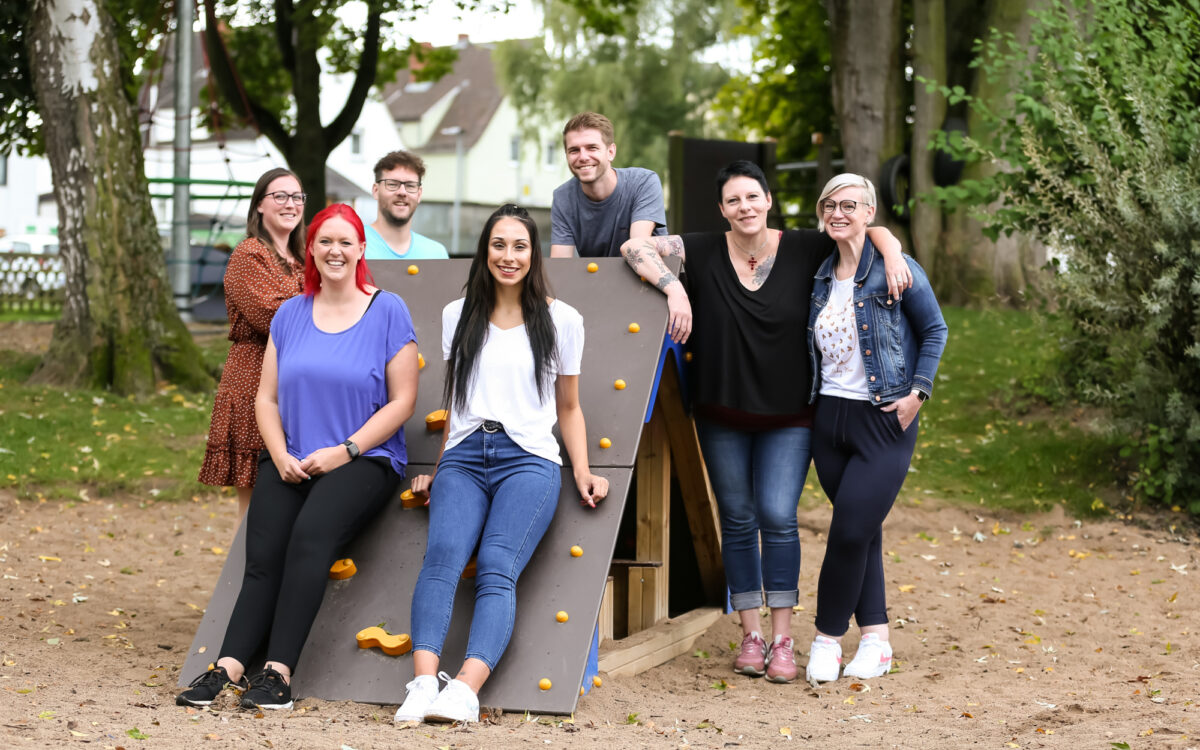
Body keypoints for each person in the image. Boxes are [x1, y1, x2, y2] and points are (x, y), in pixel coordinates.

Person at [619, 161, 911, 684]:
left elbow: (864, 227)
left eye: (752, 197)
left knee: (778, 517)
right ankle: (750, 634)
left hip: (791, 418)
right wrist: (674, 287)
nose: (744, 207)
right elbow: (634, 248)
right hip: (720, 414)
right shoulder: (703, 249)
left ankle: (782, 639)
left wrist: (890, 250)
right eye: (733, 201)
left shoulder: (805, 247)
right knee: (736, 520)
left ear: (768, 200)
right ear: (722, 209)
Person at [177, 204, 420, 710]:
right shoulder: (290, 313)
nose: (335, 250)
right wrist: (280, 453)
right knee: (262, 557)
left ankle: (278, 674)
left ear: (360, 249)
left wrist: (346, 450)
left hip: (364, 459)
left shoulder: (387, 309)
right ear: (311, 249)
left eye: (345, 242)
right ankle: (227, 667)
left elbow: (403, 401)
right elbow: (265, 398)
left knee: (310, 539)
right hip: (292, 458)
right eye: (324, 241)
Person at [395, 204, 609, 724]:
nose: (508, 256)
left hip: (528, 460)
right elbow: (457, 404)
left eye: (519, 246)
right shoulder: (456, 313)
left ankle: (465, 689)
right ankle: (423, 682)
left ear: (533, 253)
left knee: (495, 565)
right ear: (484, 250)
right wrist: (440, 466)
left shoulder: (562, 320)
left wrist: (580, 469)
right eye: (498, 244)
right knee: (442, 556)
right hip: (466, 457)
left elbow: (569, 408)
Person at [804, 174, 947, 684]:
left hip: (885, 419)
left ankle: (826, 637)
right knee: (862, 533)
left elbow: (935, 329)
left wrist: (918, 393)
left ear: (869, 212)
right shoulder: (819, 274)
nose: (838, 213)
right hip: (830, 422)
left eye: (850, 205)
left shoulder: (896, 269)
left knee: (846, 532)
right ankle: (877, 640)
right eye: (829, 205)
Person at [199, 168, 306, 520]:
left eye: (297, 197)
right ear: (260, 204)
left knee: (292, 503)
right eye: (280, 196)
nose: (290, 204)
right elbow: (271, 317)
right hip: (254, 380)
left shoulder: (305, 259)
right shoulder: (249, 255)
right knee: (257, 510)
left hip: (300, 384)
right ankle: (246, 575)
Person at [549, 112, 667, 258]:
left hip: (646, 277)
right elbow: (561, 266)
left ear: (610, 152)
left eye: (592, 148)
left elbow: (637, 251)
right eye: (574, 150)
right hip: (597, 279)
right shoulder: (563, 198)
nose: (583, 157)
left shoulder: (643, 183)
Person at [365, 150, 450, 260]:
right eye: (392, 184)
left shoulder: (436, 254)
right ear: (376, 191)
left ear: (419, 194)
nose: (402, 192)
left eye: (410, 186)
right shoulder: (353, 246)